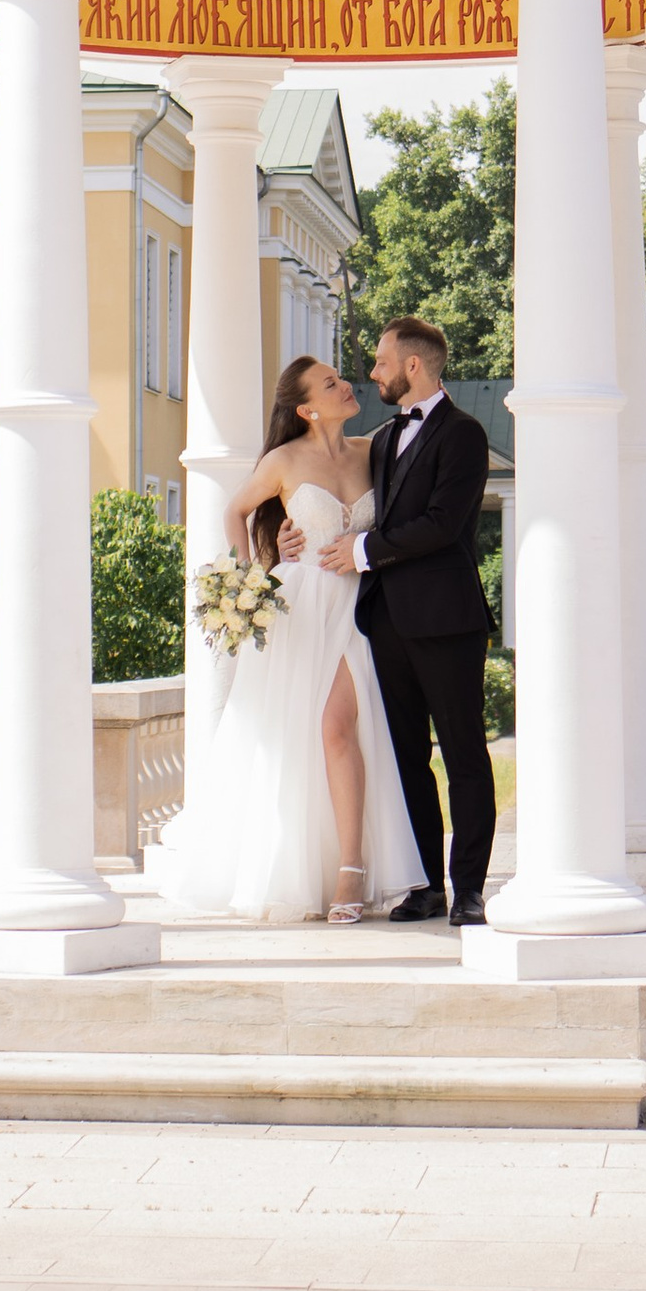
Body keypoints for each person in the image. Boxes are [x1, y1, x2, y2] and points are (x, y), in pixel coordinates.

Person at [154, 353, 427, 926]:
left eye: (341, 377)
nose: (345, 384)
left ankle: (352, 866)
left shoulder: (372, 450)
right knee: (306, 736)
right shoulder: (283, 459)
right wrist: (253, 573)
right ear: (306, 407)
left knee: (339, 727)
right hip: (302, 605)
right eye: (330, 384)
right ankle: (316, 866)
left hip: (364, 605)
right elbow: (234, 511)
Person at [300, 316, 495, 926]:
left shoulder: (465, 434)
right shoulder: (382, 440)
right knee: (406, 756)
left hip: (447, 621)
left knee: (463, 755)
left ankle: (468, 889)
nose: (373, 373)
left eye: (382, 362)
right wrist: (292, 533)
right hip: (384, 622)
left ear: (414, 366)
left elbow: (440, 524)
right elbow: (338, 503)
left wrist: (361, 551)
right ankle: (427, 885)